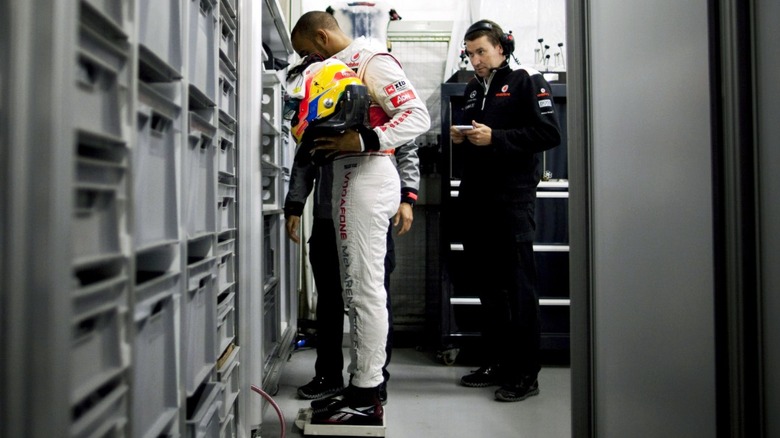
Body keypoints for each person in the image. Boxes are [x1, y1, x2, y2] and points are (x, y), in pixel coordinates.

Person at [285, 10, 430, 423]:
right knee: (353, 290)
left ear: (321, 36)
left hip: (369, 175)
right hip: (348, 178)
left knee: (366, 292)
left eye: (305, 48)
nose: (305, 57)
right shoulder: (336, 69)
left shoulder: (371, 60)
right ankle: (357, 385)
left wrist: (369, 138)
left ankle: (367, 394)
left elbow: (417, 116)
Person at [450, 19, 561, 402]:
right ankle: (498, 362)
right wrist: (463, 136)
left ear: (502, 46)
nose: (475, 59)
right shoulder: (471, 87)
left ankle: (525, 374)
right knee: (489, 289)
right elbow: (479, 138)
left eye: (481, 51)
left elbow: (548, 133)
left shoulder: (527, 79)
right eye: (470, 53)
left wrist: (495, 137)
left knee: (518, 289)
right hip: (476, 201)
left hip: (511, 202)